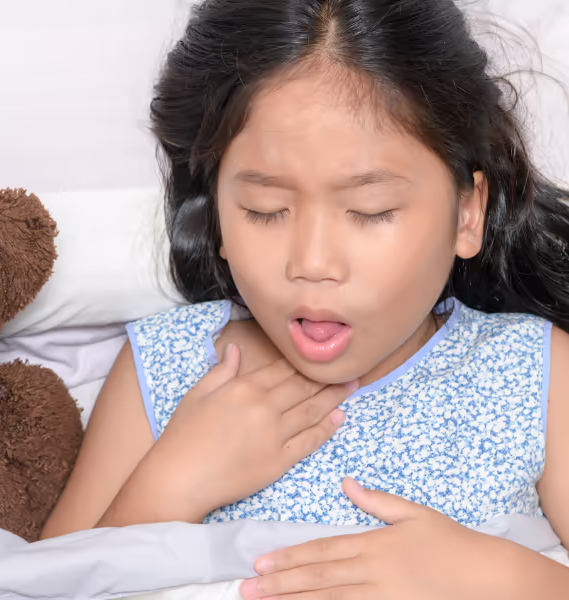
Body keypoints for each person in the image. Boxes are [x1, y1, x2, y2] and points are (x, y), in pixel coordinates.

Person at [41, 0, 569, 595]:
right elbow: (42, 584)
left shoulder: (532, 373)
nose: (312, 263)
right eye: (265, 212)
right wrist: (169, 488)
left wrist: (496, 575)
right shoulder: (167, 367)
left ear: (466, 213)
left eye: (370, 212)